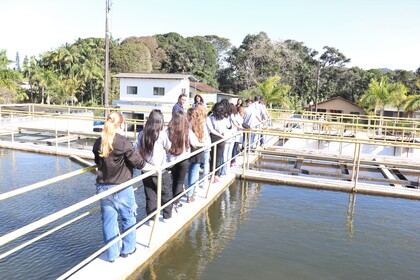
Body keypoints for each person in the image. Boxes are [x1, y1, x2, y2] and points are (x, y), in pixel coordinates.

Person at [93, 111, 153, 263]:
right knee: (128, 217)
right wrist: (154, 168)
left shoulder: (98, 142)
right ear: (121, 124)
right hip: (122, 188)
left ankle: (112, 255)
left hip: (103, 188)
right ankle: (128, 249)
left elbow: (97, 162)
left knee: (109, 221)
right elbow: (138, 162)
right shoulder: (123, 142)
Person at [136, 109, 173, 222]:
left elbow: (136, 151)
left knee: (150, 195)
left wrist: (145, 161)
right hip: (160, 171)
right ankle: (167, 216)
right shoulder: (161, 134)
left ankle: (152, 219)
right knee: (165, 193)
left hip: (146, 170)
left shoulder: (141, 134)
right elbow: (168, 147)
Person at [187, 107, 211, 202]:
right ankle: (191, 193)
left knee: (190, 173)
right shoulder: (201, 125)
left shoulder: (188, 124)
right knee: (194, 172)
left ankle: (190, 192)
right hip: (199, 150)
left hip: (190, 150)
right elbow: (204, 137)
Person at [167, 111, 190, 210]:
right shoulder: (186, 130)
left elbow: (165, 144)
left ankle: (172, 201)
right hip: (183, 159)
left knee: (174, 180)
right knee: (180, 181)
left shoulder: (168, 131)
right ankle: (176, 202)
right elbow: (194, 141)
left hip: (172, 160)